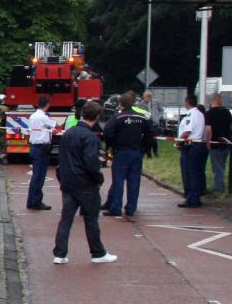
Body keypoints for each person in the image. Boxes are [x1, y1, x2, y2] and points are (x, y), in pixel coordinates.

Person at [53, 101, 117, 264]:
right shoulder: (90, 137)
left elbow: (62, 158)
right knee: (91, 219)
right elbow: (90, 162)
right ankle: (98, 253)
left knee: (66, 219)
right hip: (85, 184)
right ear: (97, 116)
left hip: (68, 182)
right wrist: (98, 178)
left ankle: (59, 254)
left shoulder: (68, 133)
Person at [102, 93, 157, 217]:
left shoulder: (118, 117)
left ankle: (116, 208)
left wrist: (113, 145)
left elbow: (107, 132)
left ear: (120, 104)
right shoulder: (142, 117)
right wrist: (143, 148)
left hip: (121, 152)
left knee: (118, 181)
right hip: (136, 152)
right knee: (134, 181)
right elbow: (151, 133)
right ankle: (131, 208)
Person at [178, 94, 208, 208]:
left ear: (187, 102)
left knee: (189, 173)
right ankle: (195, 197)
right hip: (197, 145)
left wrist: (179, 141)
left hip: (190, 146)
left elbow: (187, 131)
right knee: (196, 173)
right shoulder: (200, 114)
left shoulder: (191, 114)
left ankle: (191, 198)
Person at [27, 96, 56, 210]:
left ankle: (31, 200)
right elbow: (55, 125)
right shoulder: (43, 117)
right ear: (47, 104)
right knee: (39, 177)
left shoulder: (33, 116)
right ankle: (36, 201)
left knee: (36, 175)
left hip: (35, 147)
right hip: (42, 148)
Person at [205, 94, 232, 193]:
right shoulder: (226, 112)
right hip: (226, 142)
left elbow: (208, 129)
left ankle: (218, 189)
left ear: (212, 101)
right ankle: (222, 185)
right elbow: (230, 125)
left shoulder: (209, 113)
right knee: (222, 166)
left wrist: (208, 142)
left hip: (215, 143)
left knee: (217, 167)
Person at [142, 91, 163, 158]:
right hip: (147, 123)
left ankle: (155, 152)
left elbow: (161, 110)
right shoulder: (141, 104)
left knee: (154, 139)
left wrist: (158, 117)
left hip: (155, 123)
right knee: (148, 139)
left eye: (149, 97)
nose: (148, 99)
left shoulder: (156, 102)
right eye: (146, 97)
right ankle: (148, 154)